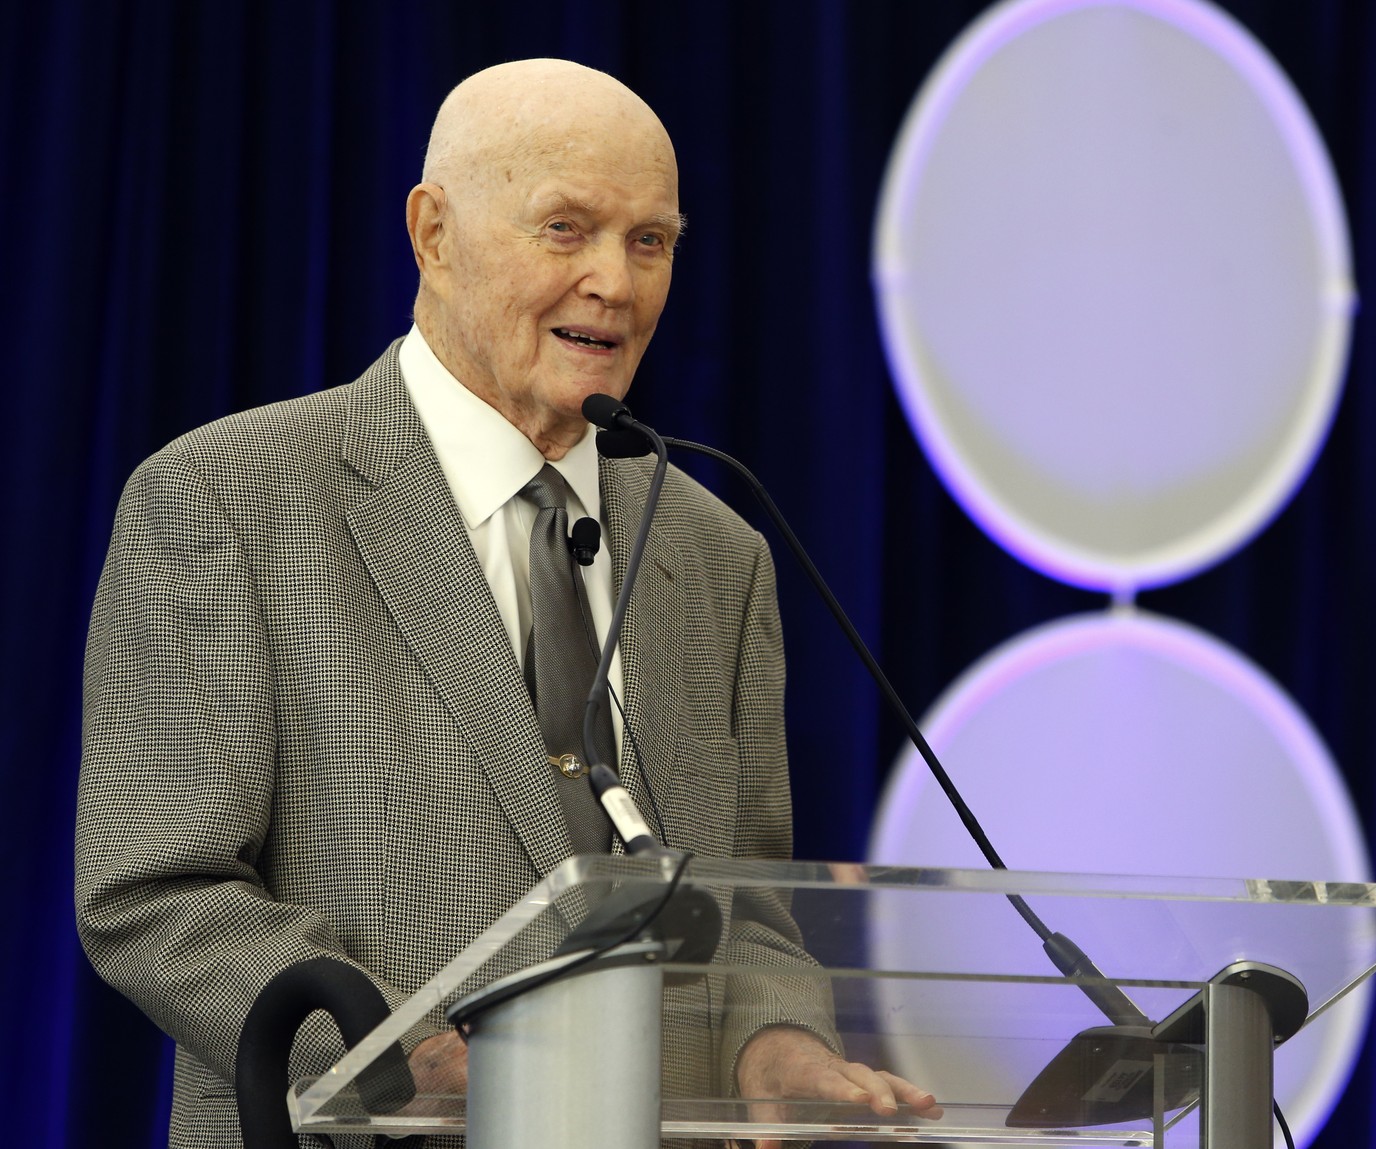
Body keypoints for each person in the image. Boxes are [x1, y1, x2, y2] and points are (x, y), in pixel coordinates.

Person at [76, 58, 938, 1147]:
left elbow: (752, 907)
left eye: (651, 241)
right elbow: (156, 893)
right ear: (434, 233)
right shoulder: (226, 501)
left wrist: (780, 1050)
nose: (616, 285)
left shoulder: (719, 553)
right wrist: (400, 1059)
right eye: (566, 229)